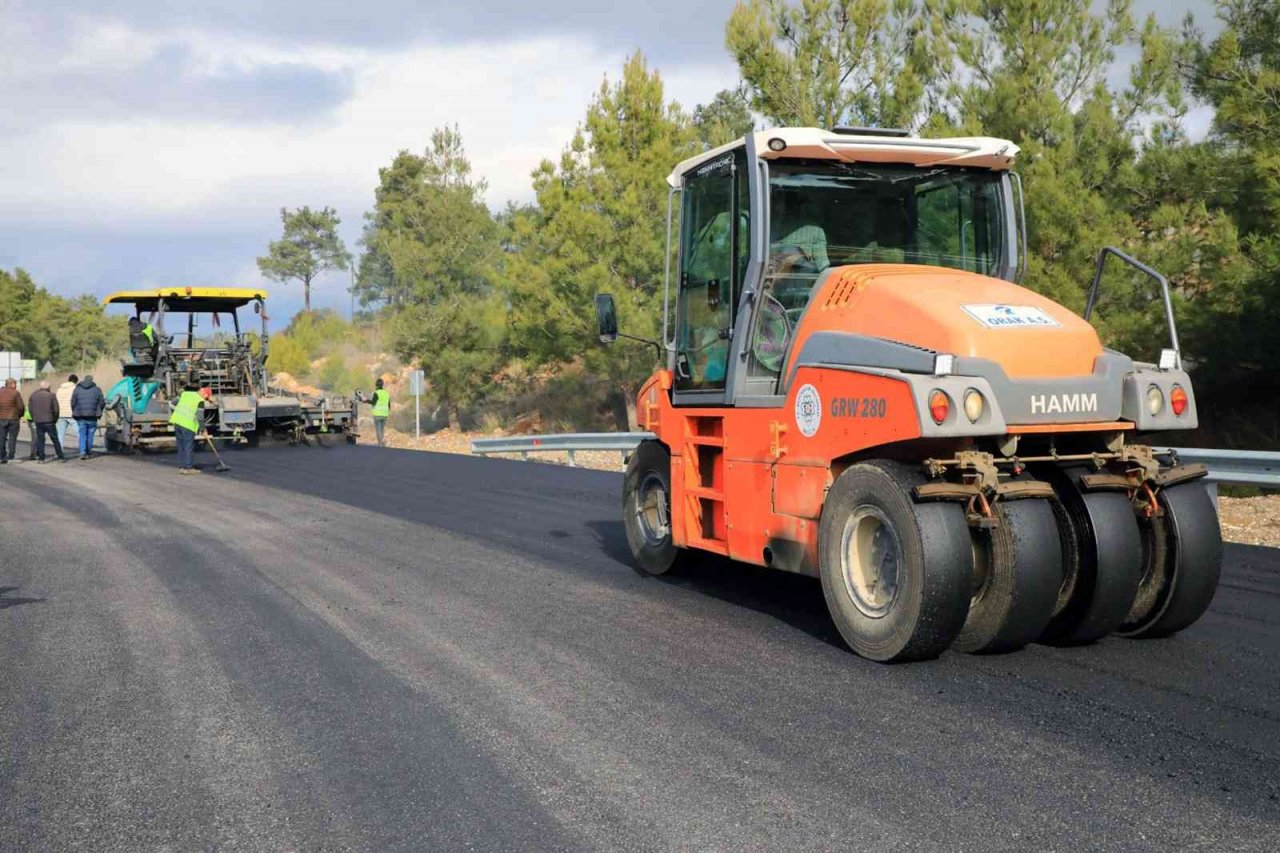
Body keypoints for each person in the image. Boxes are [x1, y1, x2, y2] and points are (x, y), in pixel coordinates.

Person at [169, 382, 208, 475]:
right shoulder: (199, 400)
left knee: (181, 445)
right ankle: (188, 468)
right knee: (188, 445)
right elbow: (200, 417)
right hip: (187, 424)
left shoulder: (184, 394)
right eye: (205, 395)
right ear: (201, 392)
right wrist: (203, 429)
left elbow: (172, 404)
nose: (205, 397)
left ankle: (182, 466)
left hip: (177, 421)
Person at [27, 380, 66, 463]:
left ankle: (41, 458)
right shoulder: (51, 395)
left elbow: (30, 409)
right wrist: (54, 419)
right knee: (55, 439)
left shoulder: (33, 396)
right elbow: (56, 410)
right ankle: (60, 456)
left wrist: (35, 418)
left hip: (38, 421)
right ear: (48, 387)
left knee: (40, 440)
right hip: (49, 421)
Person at [70, 374, 105, 460]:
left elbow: (72, 402)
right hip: (93, 416)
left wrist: (75, 410)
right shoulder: (97, 390)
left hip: (80, 416)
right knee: (90, 434)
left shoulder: (77, 389)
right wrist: (99, 410)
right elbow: (102, 402)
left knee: (82, 434)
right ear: (92, 380)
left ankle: (82, 452)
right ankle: (88, 451)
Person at [360, 379, 391, 447]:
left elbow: (373, 403)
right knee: (382, 429)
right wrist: (386, 411)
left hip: (377, 414)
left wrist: (366, 400)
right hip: (385, 414)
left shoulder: (376, 393)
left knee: (378, 430)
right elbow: (389, 405)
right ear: (382, 385)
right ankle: (382, 442)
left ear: (376, 386)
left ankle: (380, 443)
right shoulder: (386, 393)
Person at [0, 378, 23, 464]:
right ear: (11, 384)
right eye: (15, 384)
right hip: (13, 418)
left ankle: (1, 456)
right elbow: (20, 407)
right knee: (12, 438)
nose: (16, 386)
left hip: (1, 418)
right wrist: (19, 415)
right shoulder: (15, 393)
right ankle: (11, 457)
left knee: (1, 438)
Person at [56, 374, 78, 448]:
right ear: (76, 381)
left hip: (60, 414)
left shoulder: (60, 389)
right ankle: (84, 451)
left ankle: (59, 452)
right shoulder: (75, 389)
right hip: (72, 414)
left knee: (60, 434)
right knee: (80, 432)